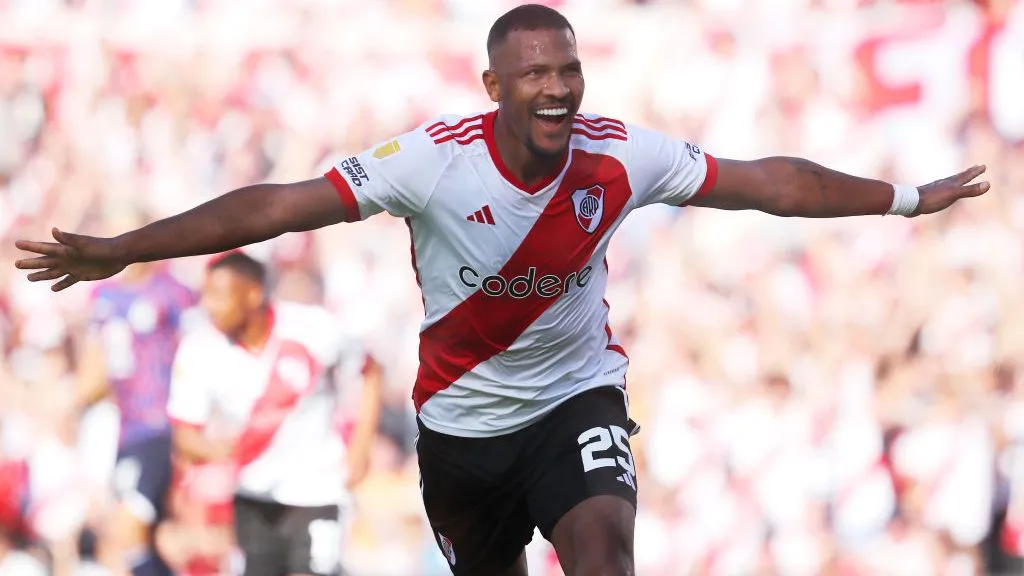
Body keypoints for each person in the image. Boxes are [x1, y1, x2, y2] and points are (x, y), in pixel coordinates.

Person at [13, 4, 992, 575]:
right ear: (494, 87)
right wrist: (129, 246)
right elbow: (277, 207)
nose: (559, 87)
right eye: (535, 73)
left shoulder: (619, 153)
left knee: (604, 551)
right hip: (461, 430)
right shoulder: (431, 163)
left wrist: (904, 198)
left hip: (575, 403)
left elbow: (771, 184)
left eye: (568, 66)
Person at [162, 251, 380, 576]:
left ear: (252, 294)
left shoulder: (312, 328)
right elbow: (185, 436)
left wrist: (361, 448)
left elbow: (370, 369)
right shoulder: (198, 351)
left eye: (220, 295)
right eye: (207, 294)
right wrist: (216, 450)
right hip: (253, 493)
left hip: (317, 488)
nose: (210, 305)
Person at [73, 209, 195, 576]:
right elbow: (95, 366)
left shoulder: (173, 292)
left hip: (160, 425)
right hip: (125, 428)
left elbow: (196, 352)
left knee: (131, 532)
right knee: (129, 537)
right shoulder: (103, 296)